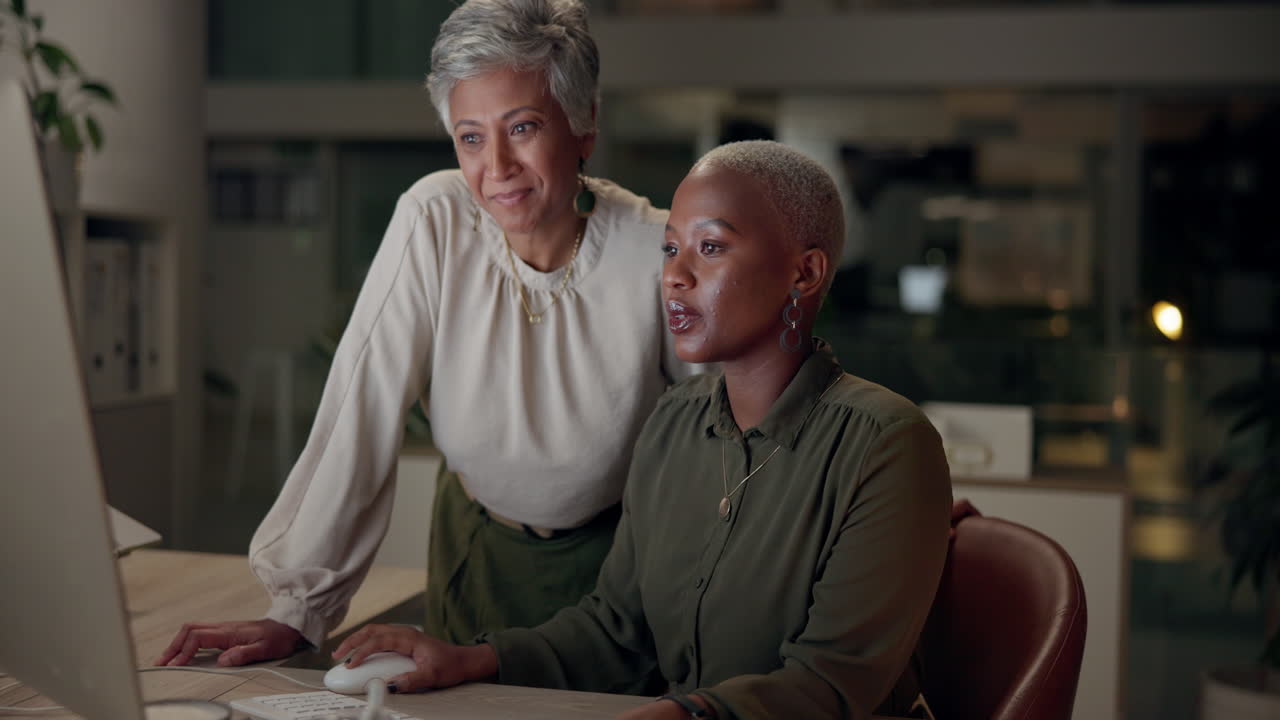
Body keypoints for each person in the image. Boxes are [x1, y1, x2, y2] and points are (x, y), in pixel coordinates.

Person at [329, 141, 954, 719]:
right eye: (670, 247)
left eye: (711, 248)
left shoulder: (886, 445)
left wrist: (680, 713)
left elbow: (832, 684)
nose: (676, 275)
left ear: (805, 273)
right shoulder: (675, 422)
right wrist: (470, 659)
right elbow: (616, 628)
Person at [157, 0, 694, 667]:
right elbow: (363, 402)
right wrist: (297, 611)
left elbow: (723, 445)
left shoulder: (656, 249)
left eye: (522, 127)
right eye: (470, 136)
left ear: (584, 125)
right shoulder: (435, 218)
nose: (495, 165)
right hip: (473, 552)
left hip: (616, 576)